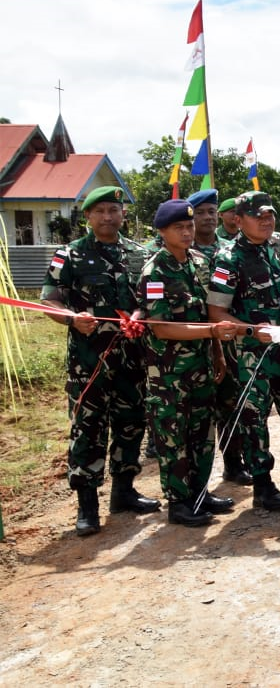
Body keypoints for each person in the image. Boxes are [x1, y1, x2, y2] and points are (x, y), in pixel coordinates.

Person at [41, 185, 159, 535]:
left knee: (132, 421)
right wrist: (71, 318)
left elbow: (148, 298)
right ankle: (87, 506)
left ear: (123, 214)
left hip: (132, 358)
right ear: (88, 217)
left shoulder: (140, 254)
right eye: (100, 211)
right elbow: (50, 300)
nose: (108, 217)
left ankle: (124, 492)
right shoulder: (70, 255)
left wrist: (139, 313)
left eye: (114, 210)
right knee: (88, 428)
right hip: (88, 361)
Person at [207, 191, 280, 511]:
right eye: (258, 216)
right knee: (254, 420)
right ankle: (263, 484)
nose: (266, 220)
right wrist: (254, 330)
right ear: (238, 221)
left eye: (270, 214)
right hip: (252, 354)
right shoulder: (228, 258)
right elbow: (216, 312)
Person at [138, 199, 238, 526]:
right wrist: (212, 331)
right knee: (173, 436)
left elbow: (205, 312)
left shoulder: (197, 262)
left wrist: (217, 351)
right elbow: (161, 326)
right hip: (168, 373)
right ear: (163, 232)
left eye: (189, 226)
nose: (187, 232)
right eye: (178, 227)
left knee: (201, 432)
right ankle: (179, 502)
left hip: (200, 367)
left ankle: (199, 492)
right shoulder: (155, 271)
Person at [186, 187, 250, 485]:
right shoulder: (181, 253)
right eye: (200, 213)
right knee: (194, 413)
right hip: (188, 346)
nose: (208, 217)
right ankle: (191, 482)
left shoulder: (231, 250)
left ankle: (233, 463)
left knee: (231, 403)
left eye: (212, 211)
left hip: (229, 342)